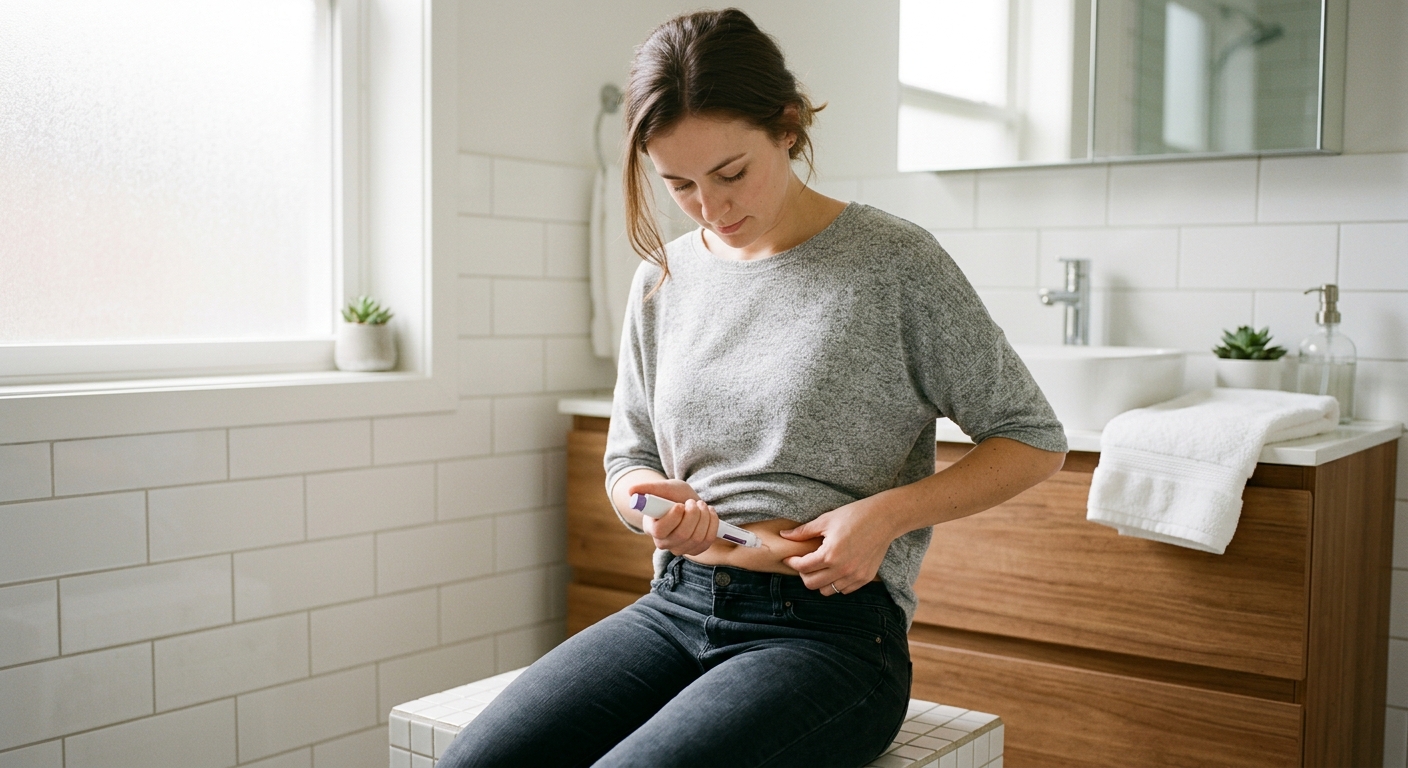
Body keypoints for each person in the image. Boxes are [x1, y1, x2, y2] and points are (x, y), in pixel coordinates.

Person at [439, 8, 1067, 767]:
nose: (712, 208)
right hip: (675, 605)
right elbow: (627, 461)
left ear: (788, 127)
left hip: (830, 636)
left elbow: (1033, 439)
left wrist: (884, 518)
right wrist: (651, 508)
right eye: (679, 184)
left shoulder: (895, 263)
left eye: (731, 173)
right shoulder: (663, 278)